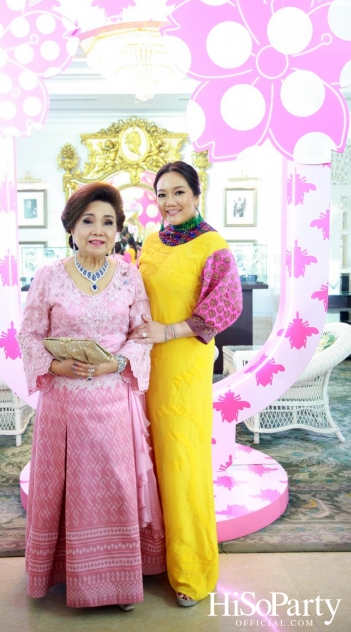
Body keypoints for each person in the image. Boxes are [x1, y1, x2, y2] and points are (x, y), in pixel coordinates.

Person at [17, 182, 165, 610]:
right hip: (63, 406)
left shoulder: (129, 275)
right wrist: (56, 366)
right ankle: (62, 574)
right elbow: (29, 334)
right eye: (89, 221)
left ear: (118, 230)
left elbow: (143, 334)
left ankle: (118, 583)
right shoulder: (48, 276)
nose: (98, 230)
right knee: (66, 490)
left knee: (116, 487)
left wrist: (115, 364)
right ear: (72, 226)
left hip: (113, 404)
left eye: (108, 222)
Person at [130, 161, 243, 607]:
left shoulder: (212, 243)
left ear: (197, 194)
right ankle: (153, 560)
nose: (170, 202)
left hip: (183, 366)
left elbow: (225, 307)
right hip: (143, 366)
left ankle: (192, 572)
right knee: (147, 461)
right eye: (162, 194)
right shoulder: (153, 240)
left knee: (181, 465)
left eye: (179, 192)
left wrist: (170, 331)